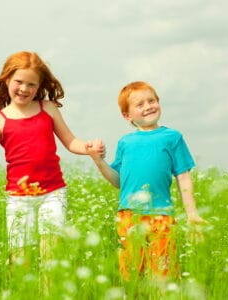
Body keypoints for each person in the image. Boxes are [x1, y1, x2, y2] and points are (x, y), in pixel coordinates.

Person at [0, 51, 104, 286]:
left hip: (52, 194)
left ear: (39, 86)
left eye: (31, 84)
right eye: (19, 82)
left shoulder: (48, 108)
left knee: (51, 257)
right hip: (18, 199)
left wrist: (89, 148)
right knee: (19, 260)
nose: (24, 88)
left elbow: (70, 141)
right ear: (7, 81)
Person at [87, 81, 205, 283]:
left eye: (151, 100)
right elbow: (118, 181)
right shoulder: (125, 142)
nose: (148, 106)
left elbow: (183, 177)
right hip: (129, 216)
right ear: (127, 116)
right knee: (131, 274)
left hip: (162, 216)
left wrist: (192, 214)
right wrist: (98, 160)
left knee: (163, 274)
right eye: (139, 104)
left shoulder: (172, 137)